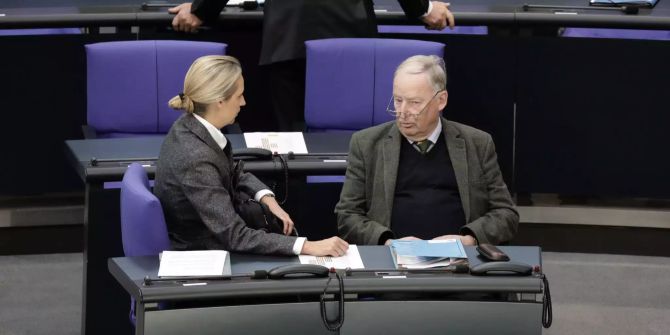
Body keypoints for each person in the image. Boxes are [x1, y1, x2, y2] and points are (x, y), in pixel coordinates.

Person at [154, 55, 349, 256]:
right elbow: (235, 236)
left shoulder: (191, 126)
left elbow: (232, 170)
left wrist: (266, 198)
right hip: (205, 253)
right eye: (239, 96)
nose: (244, 102)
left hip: (216, 239)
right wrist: (307, 246)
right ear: (220, 100)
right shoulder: (195, 159)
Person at [168, 0, 455, 131]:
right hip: (348, 38)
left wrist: (200, 10)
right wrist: (423, 8)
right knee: (360, 139)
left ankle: (294, 233)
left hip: (289, 35)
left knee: (289, 148)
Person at [335, 55, 518, 246]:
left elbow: (506, 214)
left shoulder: (478, 143)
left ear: (441, 100)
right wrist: (387, 242)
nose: (403, 111)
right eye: (398, 100)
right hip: (392, 260)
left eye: (414, 103)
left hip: (461, 262)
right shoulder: (366, 144)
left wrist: (469, 240)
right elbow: (347, 216)